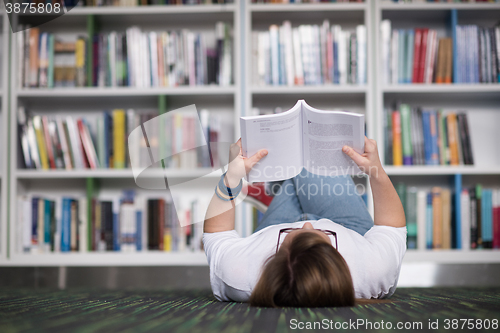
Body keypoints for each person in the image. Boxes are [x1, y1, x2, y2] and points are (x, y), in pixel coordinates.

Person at [203, 137, 406, 307]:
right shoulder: (373, 269)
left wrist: (232, 178)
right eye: (322, 235)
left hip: (272, 228)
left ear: (272, 260)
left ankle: (275, 190)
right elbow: (392, 225)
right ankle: (278, 188)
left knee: (295, 161)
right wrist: (375, 171)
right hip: (348, 227)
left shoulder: (238, 275)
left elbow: (217, 231)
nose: (307, 225)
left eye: (293, 235)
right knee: (309, 156)